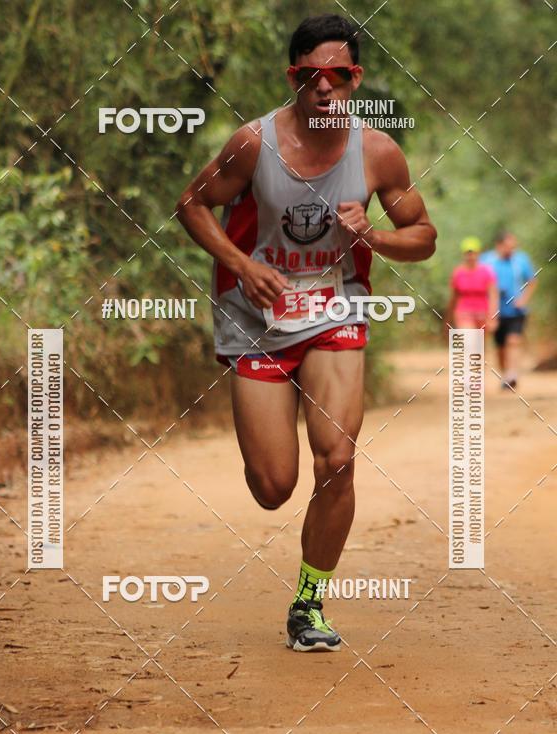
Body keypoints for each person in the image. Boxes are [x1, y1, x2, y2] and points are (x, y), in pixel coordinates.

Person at [176, 14, 436, 651]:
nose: (324, 87)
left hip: (335, 311)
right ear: (293, 78)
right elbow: (192, 204)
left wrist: (371, 234)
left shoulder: (377, 152)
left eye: (338, 75)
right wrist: (242, 265)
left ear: (356, 79)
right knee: (272, 487)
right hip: (257, 320)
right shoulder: (252, 145)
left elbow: (424, 239)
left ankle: (309, 603)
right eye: (309, 75)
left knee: (338, 459)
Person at [481, 231, 537, 389]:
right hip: (494, 310)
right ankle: (505, 374)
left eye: (513, 247)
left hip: (516, 310)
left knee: (513, 340)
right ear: (499, 245)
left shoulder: (521, 260)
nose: (511, 250)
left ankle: (512, 373)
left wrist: (524, 299)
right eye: (508, 247)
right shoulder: (487, 260)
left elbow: (532, 281)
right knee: (500, 346)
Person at [445, 236, 498, 332]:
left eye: (473, 253)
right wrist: (448, 318)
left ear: (479, 254)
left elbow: (493, 295)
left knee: (481, 346)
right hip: (464, 314)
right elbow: (453, 297)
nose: (471, 256)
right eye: (468, 253)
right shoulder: (458, 273)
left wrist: (493, 317)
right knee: (469, 341)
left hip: (483, 314)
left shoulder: (487, 271)